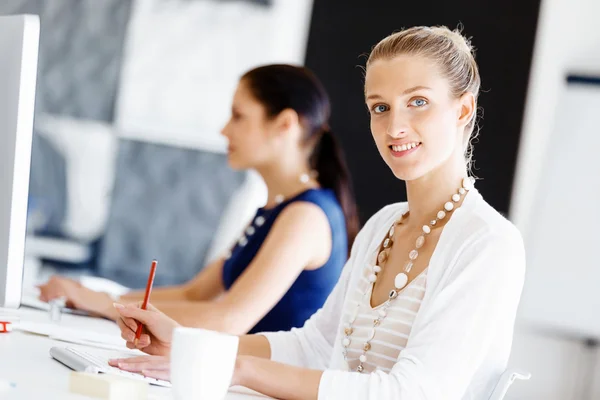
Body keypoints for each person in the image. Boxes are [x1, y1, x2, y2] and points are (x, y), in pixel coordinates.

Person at [108, 26, 526, 399]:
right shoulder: (382, 226)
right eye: (380, 107)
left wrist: (236, 368)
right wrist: (187, 343)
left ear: (463, 110)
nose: (395, 127)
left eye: (417, 102)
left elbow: (411, 392)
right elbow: (314, 348)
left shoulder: (488, 243)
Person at [38, 64, 360, 335]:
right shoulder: (279, 207)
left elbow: (230, 319)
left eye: (238, 116)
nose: (224, 130)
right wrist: (96, 298)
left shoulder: (306, 216)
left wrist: (107, 306)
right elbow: (195, 293)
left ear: (285, 124)